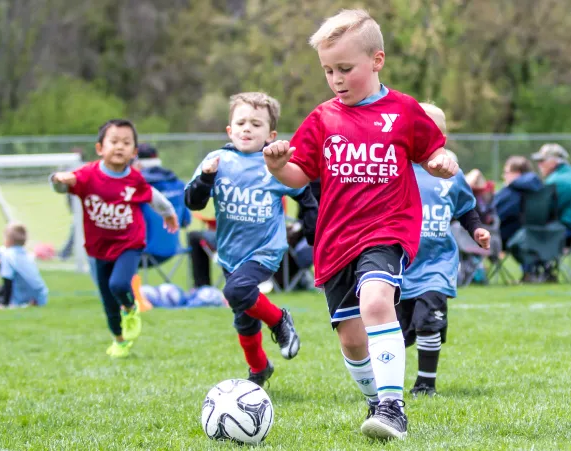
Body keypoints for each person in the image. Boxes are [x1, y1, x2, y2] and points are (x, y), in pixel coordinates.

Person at [262, 9, 459, 440]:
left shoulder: (404, 111)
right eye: (328, 70)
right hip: (335, 240)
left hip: (388, 229)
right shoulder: (322, 118)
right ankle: (376, 401)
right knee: (352, 339)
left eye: (345, 68)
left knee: (375, 304)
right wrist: (279, 168)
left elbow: (436, 153)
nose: (336, 78)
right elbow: (300, 174)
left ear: (377, 60)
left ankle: (393, 408)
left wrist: (443, 162)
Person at [185, 92, 317, 387]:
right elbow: (193, 202)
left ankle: (279, 321)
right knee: (243, 317)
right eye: (241, 122)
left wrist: (312, 232)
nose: (247, 128)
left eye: (256, 124)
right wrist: (206, 178)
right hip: (230, 252)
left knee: (237, 290)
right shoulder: (217, 161)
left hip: (265, 251)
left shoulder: (275, 165)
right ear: (230, 130)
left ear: (270, 135)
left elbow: (305, 195)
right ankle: (259, 369)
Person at [50, 119, 179, 358]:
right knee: (107, 299)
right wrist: (58, 181)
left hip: (129, 243)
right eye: (114, 141)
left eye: (126, 143)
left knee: (118, 285)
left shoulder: (134, 179)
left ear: (134, 151)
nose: (120, 147)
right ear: (100, 148)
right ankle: (119, 341)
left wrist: (169, 213)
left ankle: (131, 308)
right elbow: (63, 187)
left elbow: (153, 196)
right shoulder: (87, 175)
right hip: (99, 247)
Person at [398, 103, 491, 398]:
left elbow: (465, 207)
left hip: (436, 264)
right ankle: (384, 385)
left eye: (432, 129)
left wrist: (476, 228)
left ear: (442, 139)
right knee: (396, 332)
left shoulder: (451, 174)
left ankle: (426, 383)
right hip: (398, 264)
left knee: (428, 323)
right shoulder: (395, 169)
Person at [133, 143, 192, 264]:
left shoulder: (137, 186)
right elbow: (186, 221)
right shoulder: (178, 184)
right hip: (174, 249)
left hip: (140, 252)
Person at [493, 156, 543, 249]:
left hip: (509, 238)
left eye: (506, 172)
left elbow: (496, 215)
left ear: (517, 173)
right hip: (536, 237)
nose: (503, 176)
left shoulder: (512, 193)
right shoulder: (539, 190)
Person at [0, 223, 49, 307]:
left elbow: (7, 280)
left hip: (21, 299)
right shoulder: (27, 254)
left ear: (9, 240)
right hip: (40, 296)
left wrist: (5, 304)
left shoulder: (7, 255)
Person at [532, 143, 571, 237]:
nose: (539, 164)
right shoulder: (568, 173)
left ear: (554, 161)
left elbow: (543, 212)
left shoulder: (554, 180)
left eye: (542, 160)